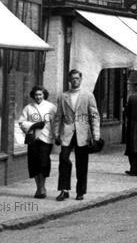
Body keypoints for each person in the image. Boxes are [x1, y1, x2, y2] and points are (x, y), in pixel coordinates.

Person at [54, 68, 100, 202]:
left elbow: (94, 116)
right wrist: (57, 133)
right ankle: (64, 190)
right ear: (69, 80)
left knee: (82, 163)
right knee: (63, 159)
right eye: (72, 78)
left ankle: (80, 191)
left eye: (77, 78)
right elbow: (58, 117)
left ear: (81, 79)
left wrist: (96, 136)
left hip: (83, 133)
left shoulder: (88, 95)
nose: (75, 81)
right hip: (67, 133)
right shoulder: (63, 96)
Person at [19, 86, 56, 198]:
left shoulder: (51, 107)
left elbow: (56, 121)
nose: (38, 97)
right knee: (34, 163)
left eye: (40, 94)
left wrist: (56, 135)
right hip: (33, 138)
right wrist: (34, 125)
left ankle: (43, 186)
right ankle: (38, 188)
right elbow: (21, 122)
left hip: (46, 137)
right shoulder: (28, 108)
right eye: (36, 95)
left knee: (43, 163)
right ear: (33, 96)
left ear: (44, 95)